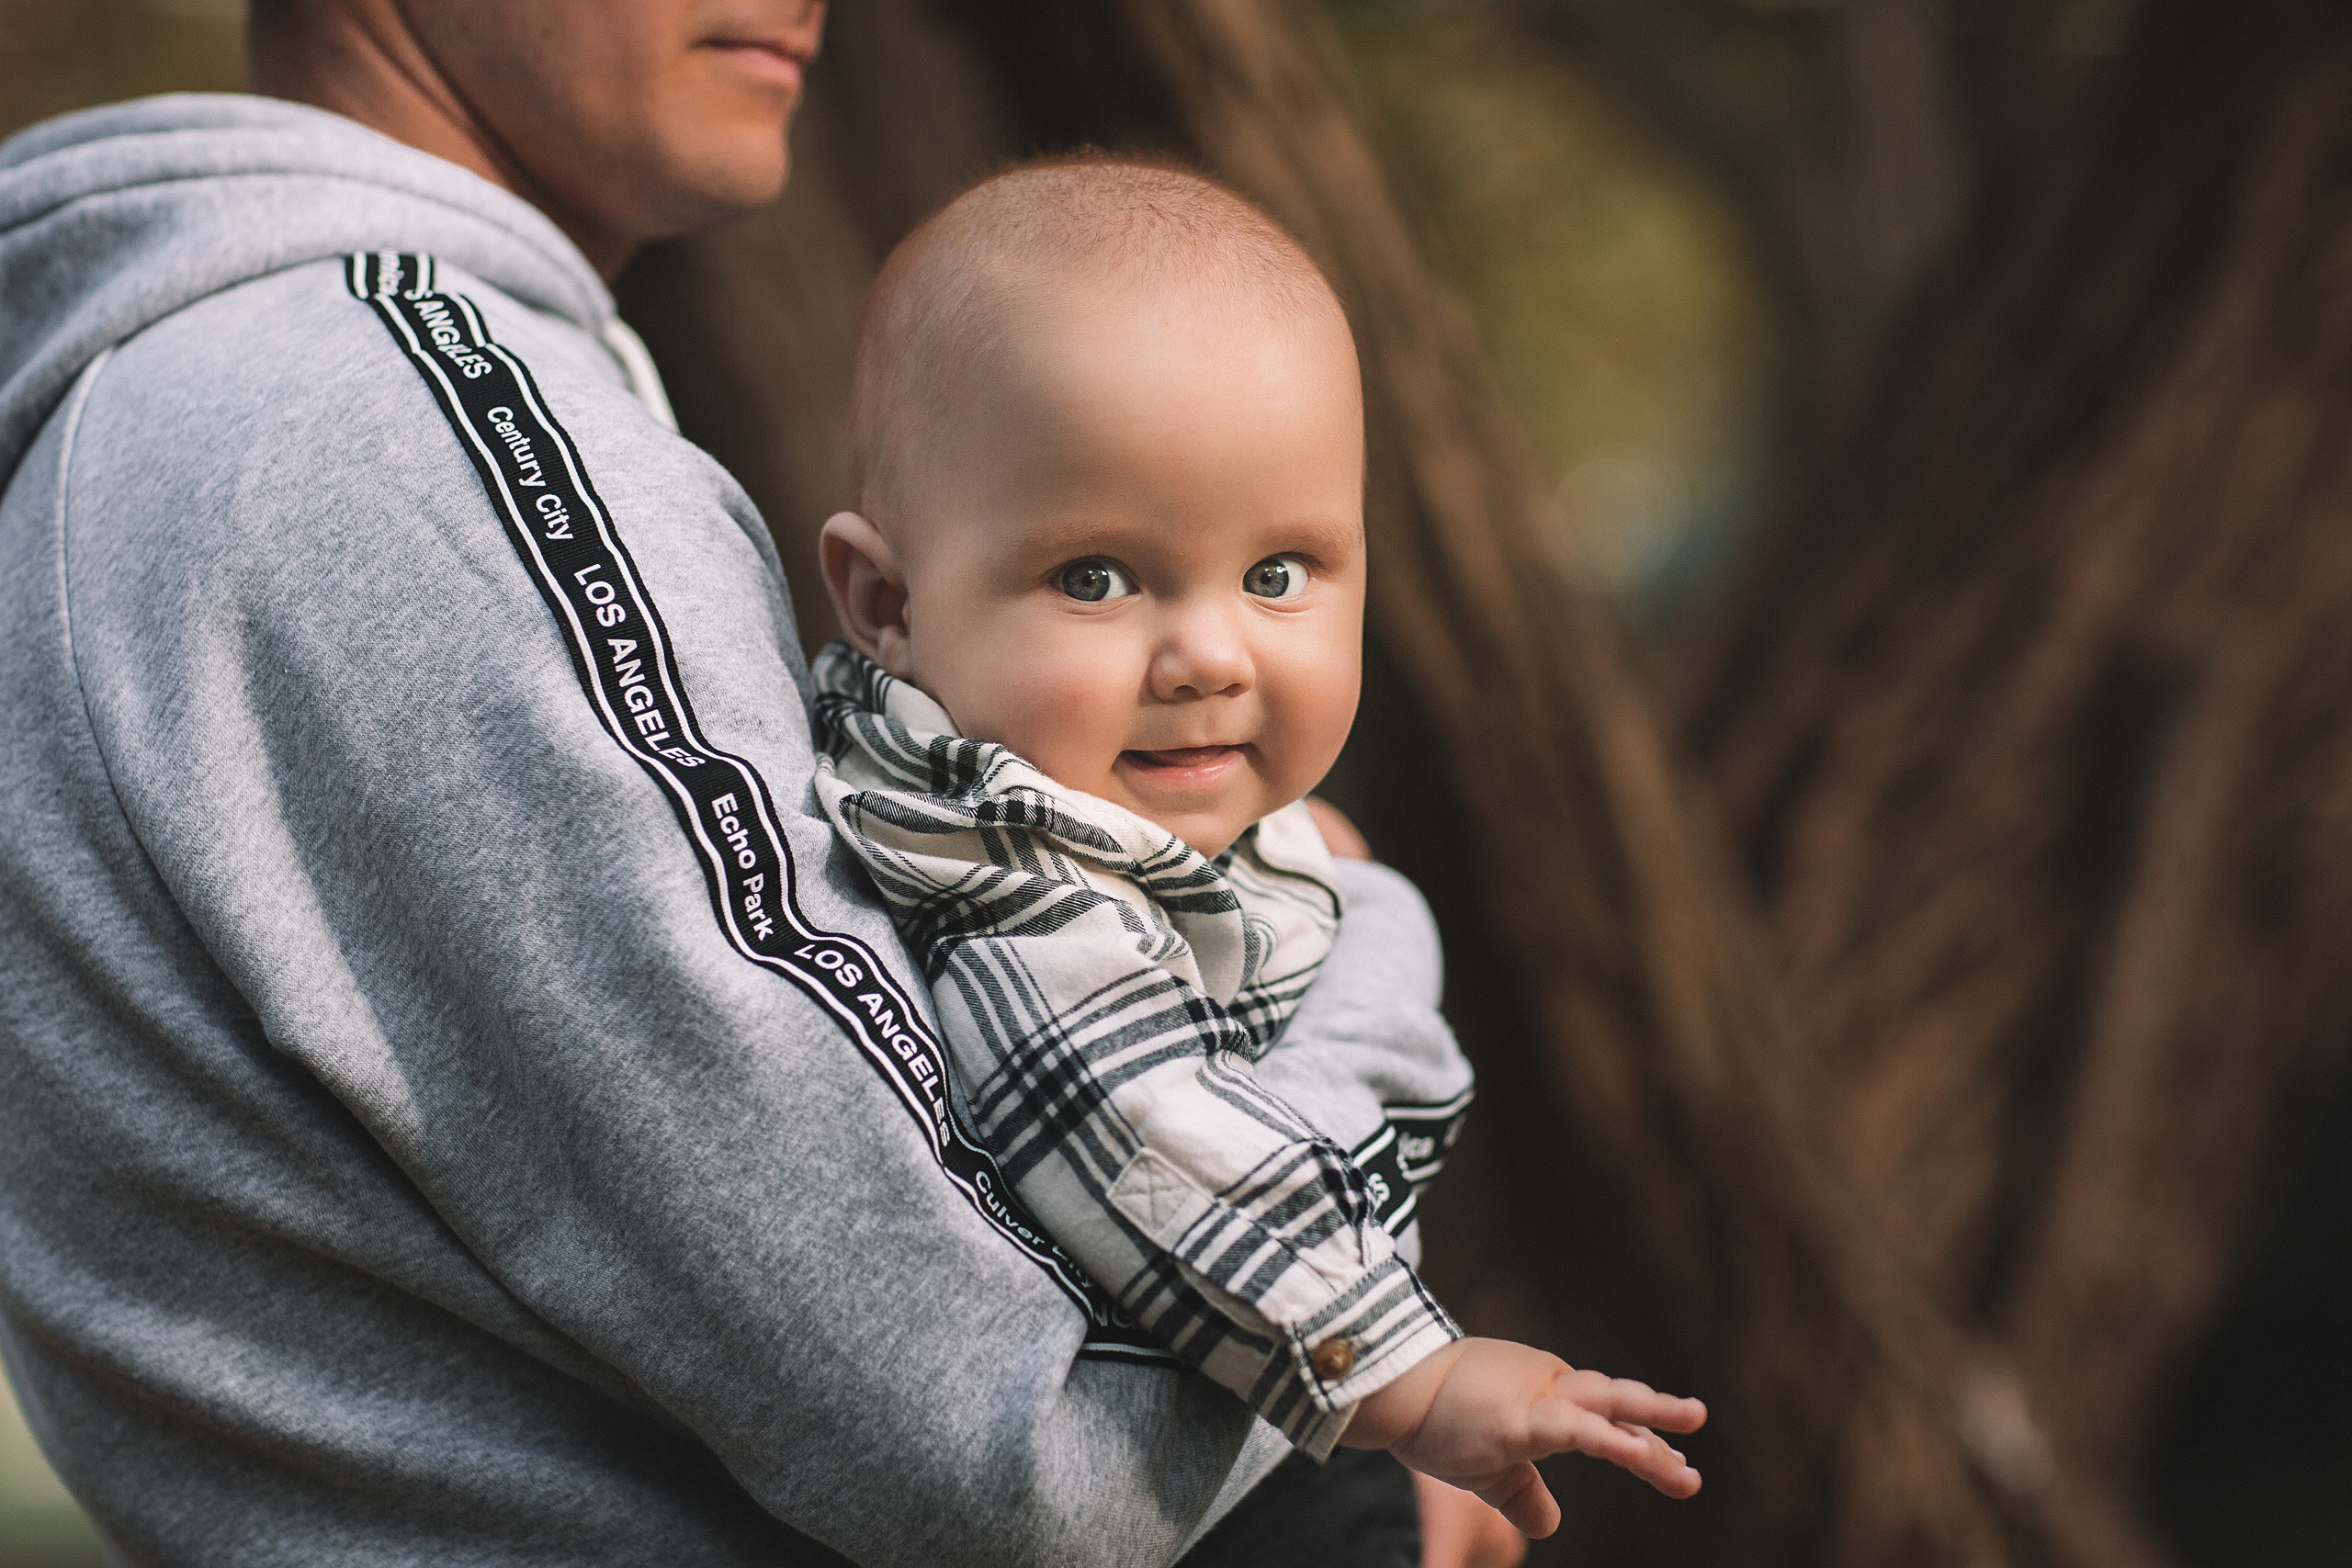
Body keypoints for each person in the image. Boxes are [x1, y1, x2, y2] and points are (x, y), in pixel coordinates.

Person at [0, 1, 1675, 1563]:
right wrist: (1364, 956)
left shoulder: (160, 410)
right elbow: (1031, 1432)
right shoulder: (416, 437)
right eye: (1099, 577)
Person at [808, 157, 1706, 1544]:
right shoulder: (1009, 884)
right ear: (888, 599)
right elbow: (1144, 1129)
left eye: (1278, 573)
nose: (1212, 655)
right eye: (1095, 578)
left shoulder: (1105, 804)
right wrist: (1414, 1381)